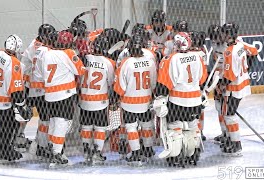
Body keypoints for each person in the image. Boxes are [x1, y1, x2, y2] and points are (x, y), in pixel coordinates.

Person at [153, 32, 207, 166]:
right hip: (195, 101)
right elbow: (202, 79)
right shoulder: (197, 56)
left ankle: (175, 156)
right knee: (193, 126)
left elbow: (164, 84)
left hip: (177, 102)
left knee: (175, 127)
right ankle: (193, 154)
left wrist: (159, 98)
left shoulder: (171, 59)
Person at [43, 31, 85, 167]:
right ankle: (57, 153)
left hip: (49, 94)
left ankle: (51, 148)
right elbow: (80, 71)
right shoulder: (68, 53)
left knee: (54, 122)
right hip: (64, 94)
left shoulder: (47, 53)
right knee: (62, 124)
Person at [114, 34, 157, 165]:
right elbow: (154, 83)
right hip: (146, 101)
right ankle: (148, 150)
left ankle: (136, 153)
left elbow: (120, 86)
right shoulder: (150, 61)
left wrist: (117, 97)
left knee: (131, 127)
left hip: (129, 103)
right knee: (147, 126)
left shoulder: (126, 63)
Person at [218, 22, 256, 155]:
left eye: (224, 32)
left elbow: (230, 75)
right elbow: (254, 51)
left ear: (228, 34)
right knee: (229, 113)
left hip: (234, 88)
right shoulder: (240, 44)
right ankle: (230, 140)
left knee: (229, 115)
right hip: (243, 85)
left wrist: (221, 86)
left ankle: (236, 144)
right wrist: (246, 69)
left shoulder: (229, 51)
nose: (221, 34)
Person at [78, 35, 116, 164]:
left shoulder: (85, 59)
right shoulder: (109, 62)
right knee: (100, 128)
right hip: (100, 101)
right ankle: (97, 153)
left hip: (84, 100)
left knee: (86, 127)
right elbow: (111, 82)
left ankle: (87, 152)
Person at [20, 24, 56, 154]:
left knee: (29, 115)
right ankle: (40, 144)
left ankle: (22, 138)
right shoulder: (40, 49)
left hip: (30, 86)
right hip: (32, 87)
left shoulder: (36, 44)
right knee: (42, 117)